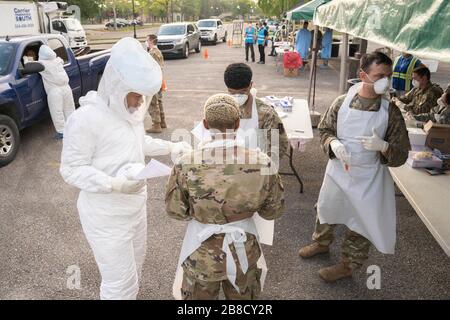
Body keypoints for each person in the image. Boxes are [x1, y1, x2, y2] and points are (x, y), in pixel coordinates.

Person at [60, 37, 191, 300]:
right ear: (117, 86)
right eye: (135, 94)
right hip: (105, 216)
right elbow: (71, 169)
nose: (139, 100)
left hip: (135, 208)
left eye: (143, 95)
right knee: (119, 284)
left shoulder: (128, 110)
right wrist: (114, 184)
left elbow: (138, 141)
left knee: (136, 270)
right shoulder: (86, 119)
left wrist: (170, 148)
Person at [298, 52, 410, 283]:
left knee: (361, 220)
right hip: (339, 170)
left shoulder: (391, 112)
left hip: (369, 176)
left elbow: (401, 154)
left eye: (388, 76)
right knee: (327, 208)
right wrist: (333, 143)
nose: (385, 82)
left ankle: (348, 265)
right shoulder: (342, 103)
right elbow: (325, 130)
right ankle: (321, 243)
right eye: (379, 75)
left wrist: (384, 146)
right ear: (363, 75)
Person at [166, 93, 284, 300]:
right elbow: (273, 211)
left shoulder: (186, 163)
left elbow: (176, 211)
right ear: (238, 123)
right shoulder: (263, 162)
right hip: (243, 251)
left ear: (205, 124)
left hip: (201, 252)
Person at [224, 63, 289, 160]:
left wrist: (260, 163)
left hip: (256, 168)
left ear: (250, 85)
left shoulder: (266, 114)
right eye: (232, 92)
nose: (237, 96)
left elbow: (279, 146)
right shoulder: (221, 109)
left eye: (242, 92)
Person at [38, 45, 75, 140]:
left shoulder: (42, 64)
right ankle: (73, 128)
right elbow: (62, 60)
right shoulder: (58, 60)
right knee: (69, 109)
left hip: (55, 91)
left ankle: (62, 132)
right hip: (66, 88)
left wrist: (26, 58)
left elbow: (28, 65)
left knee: (57, 111)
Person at [146, 34, 166, 133]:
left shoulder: (152, 53)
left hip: (153, 80)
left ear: (151, 41)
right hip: (159, 80)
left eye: (147, 40)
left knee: (153, 102)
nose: (146, 42)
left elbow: (150, 68)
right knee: (159, 101)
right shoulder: (158, 51)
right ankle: (162, 122)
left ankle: (156, 124)